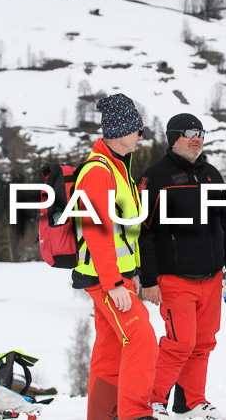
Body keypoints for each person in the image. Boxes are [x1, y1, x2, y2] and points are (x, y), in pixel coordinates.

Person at [139, 113, 226, 419]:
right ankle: (152, 402)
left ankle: (191, 403)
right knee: (179, 344)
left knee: (202, 343)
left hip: (211, 277)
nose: (197, 138)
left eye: (201, 133)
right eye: (190, 133)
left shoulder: (212, 174)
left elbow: (225, 223)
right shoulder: (154, 178)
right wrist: (148, 280)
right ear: (173, 137)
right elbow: (144, 232)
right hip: (174, 277)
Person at [72, 93, 159, 420]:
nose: (141, 135)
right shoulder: (98, 171)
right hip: (105, 279)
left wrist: (132, 272)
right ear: (119, 130)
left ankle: (101, 415)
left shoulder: (119, 169)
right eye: (137, 129)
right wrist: (112, 283)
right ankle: (135, 414)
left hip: (119, 277)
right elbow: (97, 231)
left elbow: (125, 231)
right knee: (142, 339)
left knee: (110, 351)